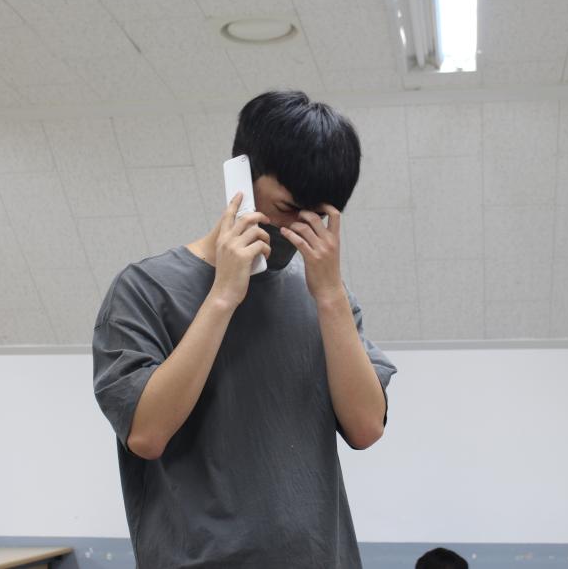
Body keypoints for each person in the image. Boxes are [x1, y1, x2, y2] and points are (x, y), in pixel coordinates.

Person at [92, 90, 398, 568]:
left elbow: (365, 428)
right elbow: (146, 434)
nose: (297, 230)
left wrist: (330, 298)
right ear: (241, 177)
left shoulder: (329, 300)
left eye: (317, 218)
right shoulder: (145, 289)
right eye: (286, 207)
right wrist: (223, 296)